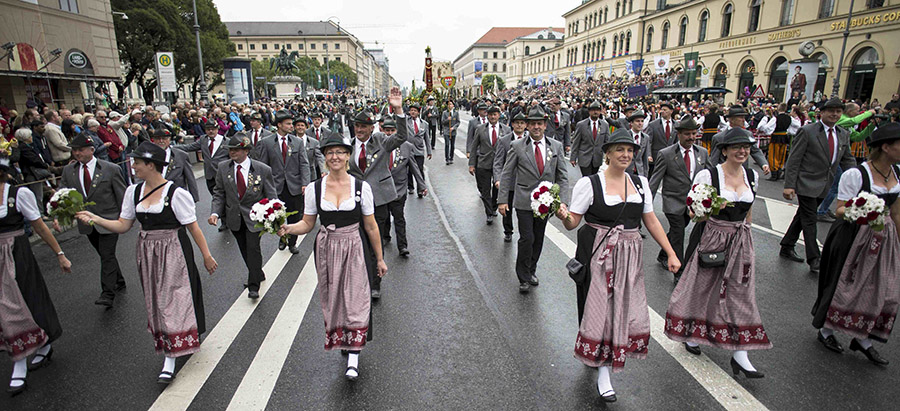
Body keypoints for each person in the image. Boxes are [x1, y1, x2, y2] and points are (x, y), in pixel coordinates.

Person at [76, 142, 217, 385]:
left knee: (174, 298)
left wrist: (206, 255)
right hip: (147, 251)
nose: (133, 166)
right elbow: (123, 225)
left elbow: (193, 228)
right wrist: (96, 218)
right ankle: (171, 342)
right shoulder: (133, 192)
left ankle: (171, 357)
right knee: (157, 299)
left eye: (137, 163)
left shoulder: (175, 193)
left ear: (151, 165)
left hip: (173, 248)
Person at [555, 129, 681, 402]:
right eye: (620, 150)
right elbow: (573, 222)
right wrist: (561, 212)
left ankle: (605, 362)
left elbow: (651, 221)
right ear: (608, 153)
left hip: (629, 255)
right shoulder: (590, 184)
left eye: (630, 150)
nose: (626, 155)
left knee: (620, 309)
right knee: (601, 309)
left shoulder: (640, 183)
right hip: (598, 253)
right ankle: (603, 372)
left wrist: (670, 252)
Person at [278, 134, 388, 381]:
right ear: (325, 157)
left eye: (340, 152)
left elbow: (371, 226)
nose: (335, 157)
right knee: (335, 297)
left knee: (357, 297)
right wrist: (287, 228)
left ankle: (354, 355)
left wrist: (379, 259)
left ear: (348, 156)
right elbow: (307, 224)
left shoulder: (361, 187)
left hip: (354, 246)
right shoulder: (315, 188)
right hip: (327, 248)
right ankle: (344, 339)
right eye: (330, 153)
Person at [664, 127, 772, 378]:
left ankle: (740, 353)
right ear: (724, 150)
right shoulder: (708, 175)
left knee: (740, 292)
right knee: (703, 286)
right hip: (712, 235)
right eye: (736, 147)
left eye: (746, 147)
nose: (742, 151)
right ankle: (691, 333)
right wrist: (708, 207)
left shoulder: (752, 175)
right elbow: (692, 213)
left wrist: (748, 231)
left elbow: (748, 210)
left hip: (740, 239)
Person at [810, 122, 900, 365]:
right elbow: (840, 209)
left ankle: (863, 337)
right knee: (845, 284)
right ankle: (827, 330)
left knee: (884, 289)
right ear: (886, 147)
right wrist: (864, 210)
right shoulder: (857, 174)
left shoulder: (897, 173)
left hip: (884, 238)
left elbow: (897, 212)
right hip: (854, 236)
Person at [0, 156, 70, 396]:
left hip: (16, 253)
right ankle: (37, 344)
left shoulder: (18, 194)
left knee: (22, 303)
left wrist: (60, 253)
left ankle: (20, 362)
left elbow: (39, 226)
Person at [498, 107, 570, 294]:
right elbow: (506, 174)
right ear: (528, 126)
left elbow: (562, 176)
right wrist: (502, 200)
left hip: (545, 202)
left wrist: (563, 202)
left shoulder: (556, 146)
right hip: (523, 200)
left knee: (537, 239)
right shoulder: (517, 146)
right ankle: (522, 276)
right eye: (533, 124)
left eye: (540, 123)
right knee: (526, 238)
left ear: (545, 125)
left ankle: (531, 270)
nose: (536, 127)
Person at [781, 98, 856, 274]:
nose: (835, 114)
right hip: (806, 183)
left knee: (803, 215)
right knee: (809, 219)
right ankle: (815, 258)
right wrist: (789, 185)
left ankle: (787, 245)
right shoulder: (807, 131)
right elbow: (794, 159)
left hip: (825, 184)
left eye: (838, 111)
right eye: (831, 111)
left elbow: (848, 159)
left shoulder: (843, 134)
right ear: (821, 112)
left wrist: (859, 178)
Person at [347, 88, 407, 300]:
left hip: (379, 200)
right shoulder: (349, 146)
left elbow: (401, 136)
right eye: (357, 126)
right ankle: (360, 278)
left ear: (372, 128)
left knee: (375, 242)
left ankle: (375, 283)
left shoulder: (381, 140)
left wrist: (398, 108)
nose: (359, 129)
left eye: (364, 126)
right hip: (355, 202)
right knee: (357, 242)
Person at [56, 133, 127, 307]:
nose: (77, 153)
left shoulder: (110, 169)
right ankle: (118, 279)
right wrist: (57, 215)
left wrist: (125, 219)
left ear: (92, 150)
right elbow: (61, 194)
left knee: (107, 254)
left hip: (109, 220)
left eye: (80, 150)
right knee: (105, 254)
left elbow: (122, 196)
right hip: (87, 223)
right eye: (75, 150)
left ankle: (108, 293)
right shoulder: (69, 170)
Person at [209, 135, 277, 299]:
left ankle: (253, 286)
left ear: (246, 151)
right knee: (244, 249)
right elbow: (219, 193)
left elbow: (271, 195)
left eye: (236, 149)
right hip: (234, 217)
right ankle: (257, 273)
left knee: (253, 249)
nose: (232, 152)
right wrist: (215, 212)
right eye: (230, 149)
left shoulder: (262, 169)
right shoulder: (223, 167)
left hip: (255, 217)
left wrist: (274, 217)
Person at [649, 116, 709, 283]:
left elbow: (710, 175)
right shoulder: (666, 154)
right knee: (678, 233)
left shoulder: (702, 153)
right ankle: (679, 271)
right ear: (679, 135)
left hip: (693, 204)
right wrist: (646, 204)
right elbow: (655, 180)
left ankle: (663, 253)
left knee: (678, 230)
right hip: (672, 202)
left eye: (694, 133)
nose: (691, 137)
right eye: (687, 134)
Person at [255, 111, 311, 254]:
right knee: (278, 216)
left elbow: (304, 164)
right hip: (275, 186)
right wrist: (263, 186)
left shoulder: (297, 142)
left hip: (295, 185)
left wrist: (305, 183)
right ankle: (282, 238)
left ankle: (292, 242)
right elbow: (263, 166)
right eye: (288, 123)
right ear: (279, 125)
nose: (291, 126)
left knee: (295, 216)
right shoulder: (266, 142)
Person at [383, 118, 427, 257]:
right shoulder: (379, 145)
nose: (389, 133)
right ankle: (385, 236)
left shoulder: (407, 146)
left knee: (399, 218)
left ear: (397, 131)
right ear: (382, 131)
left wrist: (421, 185)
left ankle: (402, 246)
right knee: (383, 217)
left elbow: (414, 167)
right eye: (387, 131)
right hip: (382, 189)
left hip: (399, 189)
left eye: (392, 131)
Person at [176, 120, 230, 231]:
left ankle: (227, 220)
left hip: (223, 175)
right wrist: (171, 147)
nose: (211, 131)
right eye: (208, 129)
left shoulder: (226, 141)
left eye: (213, 129)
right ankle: (224, 219)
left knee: (226, 197)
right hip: (210, 175)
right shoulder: (203, 140)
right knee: (216, 197)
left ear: (217, 129)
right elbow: (189, 147)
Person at [469, 106, 511, 225]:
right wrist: (472, 164)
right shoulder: (480, 129)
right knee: (485, 190)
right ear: (487, 115)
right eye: (491, 114)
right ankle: (488, 213)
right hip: (484, 163)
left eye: (495, 114)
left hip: (500, 164)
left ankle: (493, 206)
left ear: (499, 115)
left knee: (497, 188)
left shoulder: (506, 129)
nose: (493, 117)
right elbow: (474, 146)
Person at [493, 112, 529, 243]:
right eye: (517, 123)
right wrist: (498, 179)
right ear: (512, 124)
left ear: (526, 125)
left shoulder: (531, 140)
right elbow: (498, 162)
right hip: (509, 181)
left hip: (525, 183)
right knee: (506, 208)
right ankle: (508, 231)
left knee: (524, 210)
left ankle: (524, 232)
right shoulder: (504, 140)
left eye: (522, 123)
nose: (519, 125)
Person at [707, 106, 770, 175]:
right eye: (740, 117)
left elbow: (755, 150)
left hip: (742, 173)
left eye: (744, 117)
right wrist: (712, 175)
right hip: (725, 174)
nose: (743, 120)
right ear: (731, 119)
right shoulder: (719, 137)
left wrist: (764, 164)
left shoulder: (748, 134)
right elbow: (714, 159)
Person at [149, 128, 199, 202]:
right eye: (158, 139)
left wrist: (193, 198)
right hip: (155, 196)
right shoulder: (148, 156)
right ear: (153, 140)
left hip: (176, 196)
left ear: (169, 139)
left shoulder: (181, 155)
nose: (161, 141)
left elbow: (190, 178)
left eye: (164, 138)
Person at [570, 100, 609, 176]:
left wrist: (609, 156)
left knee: (594, 179)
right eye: (593, 110)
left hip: (597, 158)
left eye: (597, 110)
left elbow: (607, 142)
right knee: (587, 179)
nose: (595, 112)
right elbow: (576, 142)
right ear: (589, 111)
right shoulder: (581, 125)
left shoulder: (605, 125)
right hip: (584, 157)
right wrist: (573, 157)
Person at [405, 103, 431, 197]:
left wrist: (429, 151)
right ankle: (410, 187)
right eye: (411, 110)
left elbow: (427, 139)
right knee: (409, 170)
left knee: (419, 170)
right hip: (408, 150)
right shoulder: (406, 121)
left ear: (418, 112)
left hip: (419, 150)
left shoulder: (424, 124)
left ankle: (421, 188)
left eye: (415, 111)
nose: (412, 112)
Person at [646, 101, 677, 177]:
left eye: (665, 110)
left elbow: (677, 142)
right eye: (661, 110)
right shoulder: (653, 125)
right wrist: (649, 155)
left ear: (671, 111)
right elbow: (648, 141)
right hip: (656, 159)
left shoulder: (676, 125)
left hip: (671, 159)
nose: (662, 112)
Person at [626, 110, 650, 177]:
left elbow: (645, 159)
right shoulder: (626, 135)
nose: (640, 123)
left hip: (640, 172)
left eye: (642, 121)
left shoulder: (645, 138)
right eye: (637, 121)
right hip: (627, 171)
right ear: (631, 123)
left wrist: (645, 176)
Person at [441, 101, 460, 165]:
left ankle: (451, 157)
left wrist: (453, 128)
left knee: (452, 145)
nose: (449, 106)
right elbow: (442, 122)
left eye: (451, 104)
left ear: (453, 106)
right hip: (446, 131)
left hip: (453, 131)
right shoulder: (445, 113)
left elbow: (458, 122)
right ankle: (447, 159)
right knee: (447, 144)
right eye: (448, 104)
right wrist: (447, 120)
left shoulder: (456, 113)